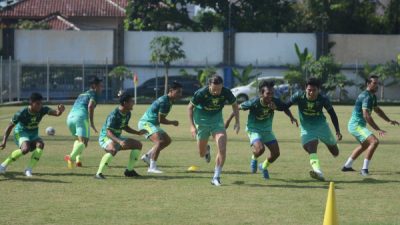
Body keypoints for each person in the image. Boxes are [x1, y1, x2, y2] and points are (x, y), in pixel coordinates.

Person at [225, 80, 298, 179]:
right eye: (268, 93)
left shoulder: (274, 101)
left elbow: (284, 107)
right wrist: (228, 121)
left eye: (272, 93)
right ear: (261, 93)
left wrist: (291, 117)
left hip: (267, 130)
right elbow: (237, 108)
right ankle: (254, 157)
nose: (270, 96)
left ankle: (263, 166)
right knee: (260, 149)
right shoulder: (254, 102)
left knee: (276, 153)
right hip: (253, 129)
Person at [188, 75, 240, 186]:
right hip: (201, 121)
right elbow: (189, 107)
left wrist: (237, 121)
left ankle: (216, 177)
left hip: (217, 121)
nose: (217, 92)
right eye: (214, 89)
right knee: (201, 154)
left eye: (219, 89)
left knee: (222, 147)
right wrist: (192, 126)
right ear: (209, 86)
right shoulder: (201, 93)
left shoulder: (226, 92)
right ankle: (206, 150)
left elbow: (235, 105)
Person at [342, 75, 399, 176]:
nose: (377, 85)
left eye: (378, 83)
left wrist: (389, 120)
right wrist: (377, 129)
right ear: (368, 84)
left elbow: (377, 110)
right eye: (375, 83)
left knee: (365, 145)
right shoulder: (366, 96)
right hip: (356, 125)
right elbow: (366, 115)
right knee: (374, 141)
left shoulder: (372, 96)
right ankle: (364, 169)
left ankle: (347, 166)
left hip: (357, 125)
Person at [287, 77, 342, 181]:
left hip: (322, 126)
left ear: (318, 90)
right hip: (307, 128)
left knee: (335, 153)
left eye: (314, 90)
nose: (311, 93)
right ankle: (318, 171)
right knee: (312, 146)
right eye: (309, 90)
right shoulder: (299, 96)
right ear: (305, 89)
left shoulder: (323, 99)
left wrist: (337, 131)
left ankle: (330, 143)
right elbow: (285, 105)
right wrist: (276, 107)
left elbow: (332, 114)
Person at [0, 93, 65, 177]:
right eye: (37, 104)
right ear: (31, 103)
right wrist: (4, 141)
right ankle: (3, 166)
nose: (40, 106)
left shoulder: (42, 109)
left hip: (33, 134)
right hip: (21, 132)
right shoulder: (22, 113)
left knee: (40, 144)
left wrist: (60, 110)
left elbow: (56, 113)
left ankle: (28, 169)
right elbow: (10, 126)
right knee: (25, 149)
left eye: (41, 103)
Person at [95, 92, 146, 179]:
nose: (133, 103)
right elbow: (108, 132)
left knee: (138, 145)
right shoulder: (114, 115)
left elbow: (124, 126)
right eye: (131, 101)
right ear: (125, 103)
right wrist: (119, 141)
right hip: (105, 138)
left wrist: (137, 132)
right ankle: (98, 174)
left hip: (116, 138)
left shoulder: (128, 113)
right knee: (113, 149)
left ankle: (129, 171)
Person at [139, 81, 182, 173]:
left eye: (180, 92)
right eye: (178, 92)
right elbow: (161, 120)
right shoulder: (164, 102)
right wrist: (173, 122)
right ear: (171, 90)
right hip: (146, 123)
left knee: (167, 140)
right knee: (159, 141)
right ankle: (152, 167)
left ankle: (147, 156)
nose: (180, 94)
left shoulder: (169, 100)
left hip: (153, 124)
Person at [65, 76, 102, 168]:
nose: (102, 87)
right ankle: (71, 157)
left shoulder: (82, 94)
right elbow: (90, 106)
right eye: (100, 85)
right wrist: (92, 123)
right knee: (84, 143)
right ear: (94, 86)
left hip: (70, 118)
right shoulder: (94, 94)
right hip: (81, 118)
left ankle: (78, 161)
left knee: (78, 140)